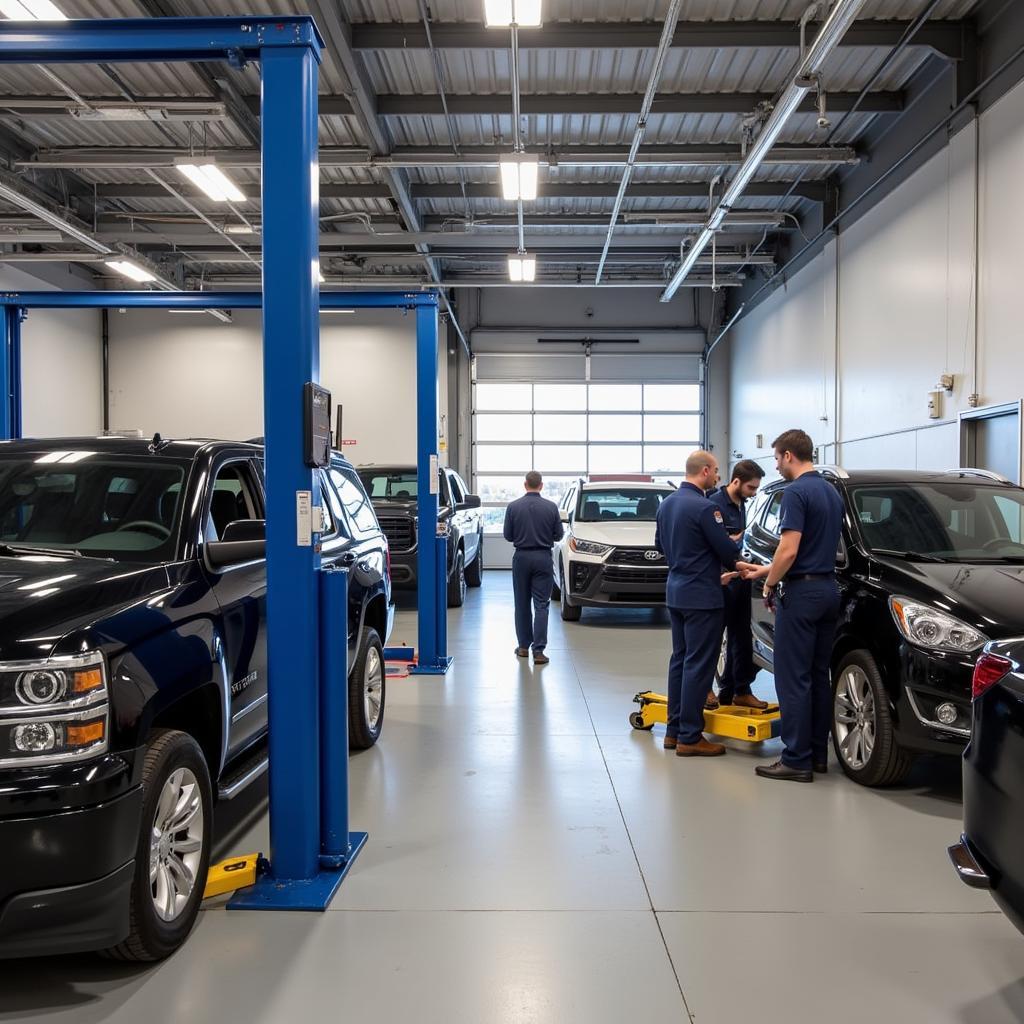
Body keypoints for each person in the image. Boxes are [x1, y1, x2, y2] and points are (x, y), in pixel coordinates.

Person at [740, 430, 844, 783]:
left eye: (776, 459)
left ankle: (795, 759)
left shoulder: (796, 492)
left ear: (788, 455)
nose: (776, 467)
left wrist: (769, 582)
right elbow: (815, 551)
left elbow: (790, 550)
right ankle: (816, 754)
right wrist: (766, 569)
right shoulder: (830, 491)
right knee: (818, 676)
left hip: (801, 597)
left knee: (792, 678)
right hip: (828, 590)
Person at [655, 450, 750, 757]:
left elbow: (661, 545)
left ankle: (673, 731)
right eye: (717, 471)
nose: (718, 476)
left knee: (680, 660)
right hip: (702, 598)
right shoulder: (707, 508)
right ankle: (690, 736)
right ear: (706, 471)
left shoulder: (666, 505)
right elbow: (725, 550)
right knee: (699, 663)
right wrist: (736, 552)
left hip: (677, 591)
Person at [707, 460, 768, 711]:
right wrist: (732, 541)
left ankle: (738, 690)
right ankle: (704, 689)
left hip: (740, 579)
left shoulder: (742, 504)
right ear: (736, 482)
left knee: (741, 637)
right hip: (720, 581)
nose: (754, 492)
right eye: (751, 488)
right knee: (712, 638)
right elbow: (713, 543)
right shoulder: (713, 504)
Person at [503, 470, 564, 665]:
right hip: (543, 557)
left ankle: (523, 647)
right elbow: (558, 536)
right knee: (541, 604)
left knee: (521, 603)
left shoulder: (513, 507)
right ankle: (538, 651)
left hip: (521, 557)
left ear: (525, 484)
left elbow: (508, 535)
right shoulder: (551, 507)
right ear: (541, 485)